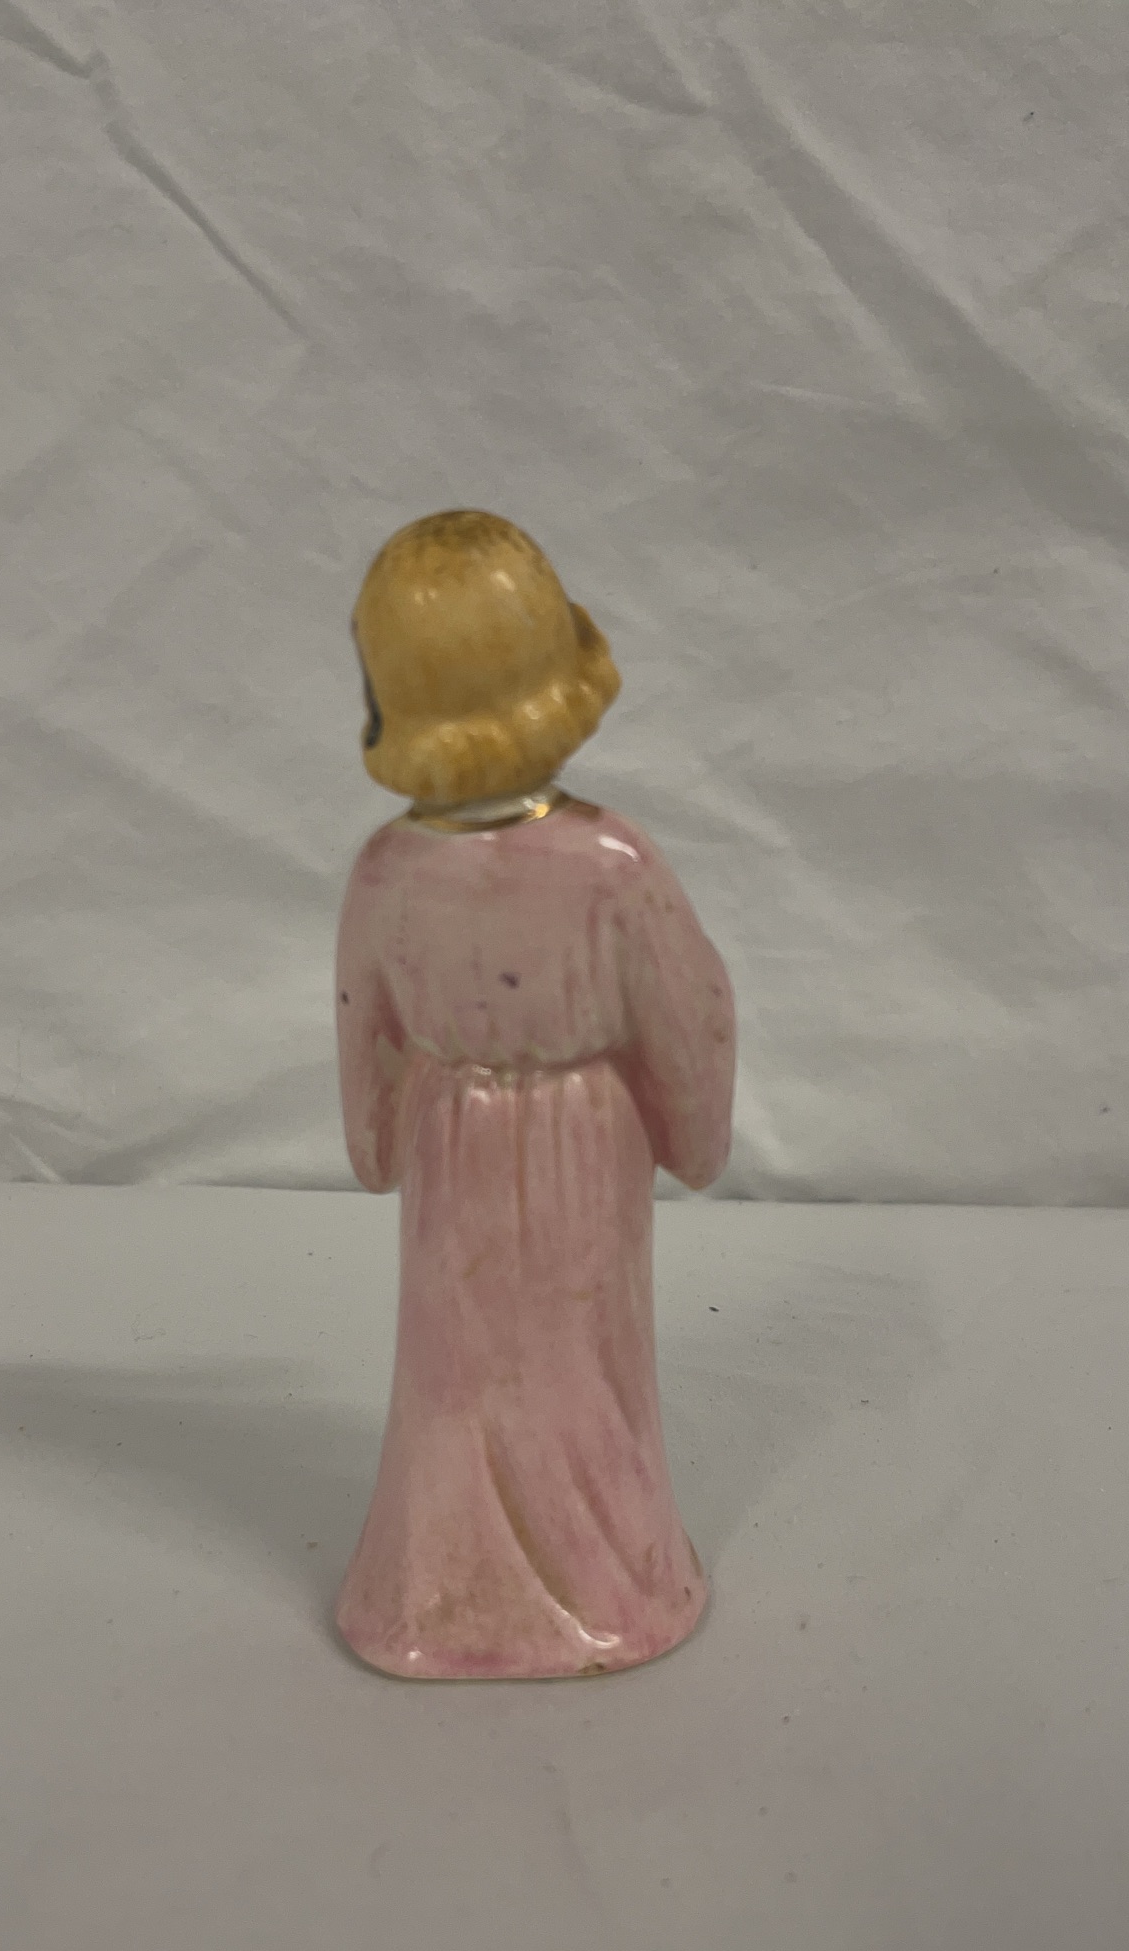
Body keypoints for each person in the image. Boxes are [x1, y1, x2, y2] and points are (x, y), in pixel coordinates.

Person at [334, 510, 735, 1679]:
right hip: (579, 1144)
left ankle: (439, 1589)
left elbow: (364, 1027)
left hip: (452, 1142)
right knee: (578, 1362)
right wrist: (691, 1136)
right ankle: (613, 1579)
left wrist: (376, 1140)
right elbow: (691, 1014)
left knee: (460, 1366)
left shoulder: (387, 871)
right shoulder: (611, 865)